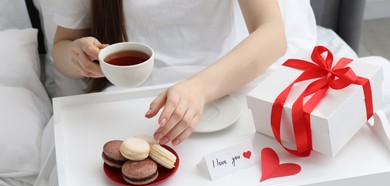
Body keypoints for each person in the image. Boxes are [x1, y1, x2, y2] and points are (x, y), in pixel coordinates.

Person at [52, 0, 287, 146]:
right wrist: (76, 56)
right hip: (131, 103)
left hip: (218, 94)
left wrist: (198, 89)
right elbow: (62, 46)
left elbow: (273, 35)